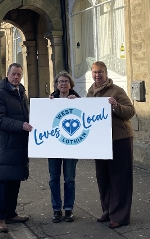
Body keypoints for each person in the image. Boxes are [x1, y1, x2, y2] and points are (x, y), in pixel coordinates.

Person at [87, 61, 135, 229]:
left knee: (120, 178)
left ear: (106, 73)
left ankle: (120, 216)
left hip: (119, 139)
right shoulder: (91, 92)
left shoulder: (117, 91)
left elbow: (130, 111)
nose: (97, 75)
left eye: (100, 72)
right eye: (94, 72)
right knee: (103, 178)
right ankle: (108, 210)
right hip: (100, 141)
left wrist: (116, 105)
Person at [0, 63, 33, 233]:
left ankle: (10, 213)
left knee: (14, 181)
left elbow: (30, 116)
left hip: (19, 146)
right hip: (5, 146)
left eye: (19, 75)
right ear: (7, 75)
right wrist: (21, 125)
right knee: (2, 183)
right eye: (13, 74)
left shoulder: (21, 93)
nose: (16, 77)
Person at [48, 71, 80, 223]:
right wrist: (47, 105)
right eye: (60, 81)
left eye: (66, 81)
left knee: (69, 179)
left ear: (70, 84)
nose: (63, 84)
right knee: (54, 178)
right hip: (54, 147)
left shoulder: (77, 99)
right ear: (56, 84)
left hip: (71, 147)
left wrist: (76, 102)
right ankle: (56, 209)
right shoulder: (50, 100)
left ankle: (68, 209)